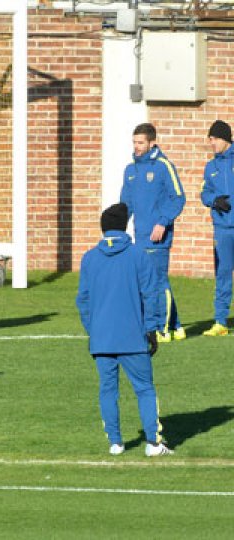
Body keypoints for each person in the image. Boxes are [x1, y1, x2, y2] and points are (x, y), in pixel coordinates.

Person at [76, 203, 173, 457]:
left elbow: (83, 301)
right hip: (133, 338)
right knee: (144, 388)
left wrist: (93, 330)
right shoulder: (138, 255)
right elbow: (150, 295)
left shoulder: (89, 258)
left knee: (108, 390)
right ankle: (153, 443)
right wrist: (152, 330)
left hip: (102, 339)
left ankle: (116, 443)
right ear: (123, 226)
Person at [120, 123, 186, 342]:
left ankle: (162, 328)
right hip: (139, 237)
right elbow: (125, 204)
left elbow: (178, 197)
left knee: (157, 282)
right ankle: (176, 326)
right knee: (146, 283)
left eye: (140, 143)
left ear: (151, 143)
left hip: (158, 236)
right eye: (134, 142)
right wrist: (116, 231)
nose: (137, 147)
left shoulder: (163, 166)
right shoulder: (130, 170)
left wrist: (162, 223)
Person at [200, 120, 234, 337]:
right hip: (222, 228)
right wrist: (214, 200)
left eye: (213, 139)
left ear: (224, 138)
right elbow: (204, 193)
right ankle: (220, 322)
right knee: (223, 274)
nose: (211, 143)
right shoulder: (210, 167)